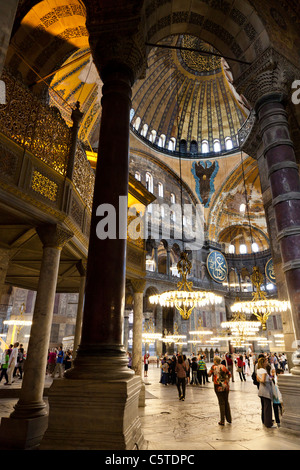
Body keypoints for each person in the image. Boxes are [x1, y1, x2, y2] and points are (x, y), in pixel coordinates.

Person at [208, 356, 232, 426]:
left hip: (218, 387)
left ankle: (222, 421)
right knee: (226, 402)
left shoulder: (213, 367)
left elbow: (209, 375)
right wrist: (226, 381)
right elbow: (229, 374)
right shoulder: (223, 367)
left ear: (215, 361)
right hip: (225, 386)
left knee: (221, 403)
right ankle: (229, 419)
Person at [256, 356, 276, 428]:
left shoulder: (258, 370)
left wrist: (262, 380)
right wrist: (268, 380)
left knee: (264, 407)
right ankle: (269, 423)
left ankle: (265, 421)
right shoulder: (264, 371)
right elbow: (263, 380)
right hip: (266, 390)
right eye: (265, 362)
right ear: (263, 363)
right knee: (268, 408)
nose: (266, 363)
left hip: (261, 390)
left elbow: (258, 379)